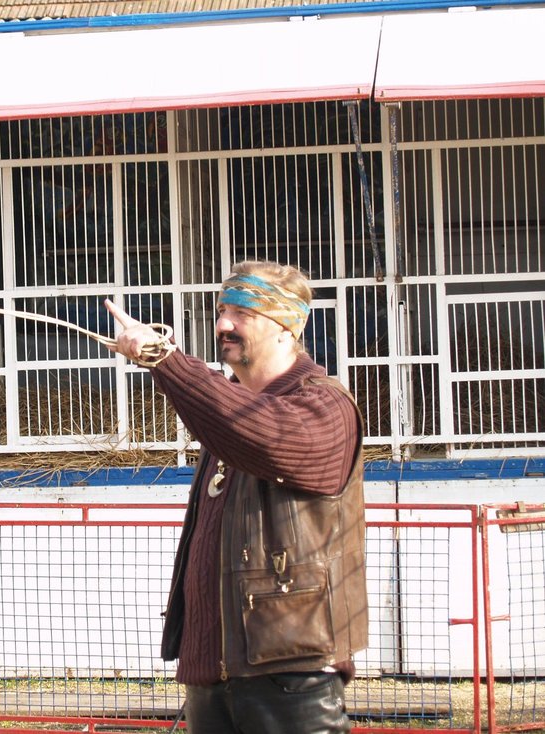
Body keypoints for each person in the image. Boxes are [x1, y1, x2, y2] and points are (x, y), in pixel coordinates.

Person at [104, 260, 368, 734]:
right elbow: (234, 418)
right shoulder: (228, 406)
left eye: (243, 312)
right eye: (223, 309)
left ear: (287, 326)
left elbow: (259, 433)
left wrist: (165, 359)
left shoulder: (325, 407)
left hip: (291, 677)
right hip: (211, 677)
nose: (223, 324)